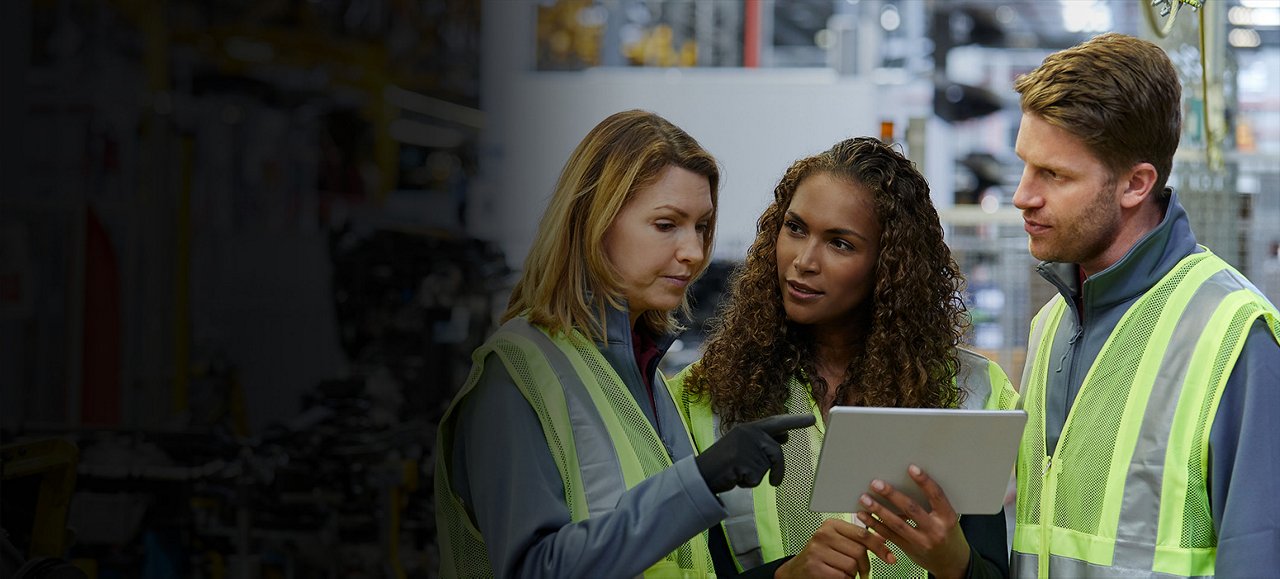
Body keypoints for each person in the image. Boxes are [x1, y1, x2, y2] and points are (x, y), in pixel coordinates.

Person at [433, 109, 814, 578]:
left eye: (701, 226)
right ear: (594, 222)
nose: (694, 252)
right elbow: (537, 569)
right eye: (665, 224)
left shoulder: (644, 373)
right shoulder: (513, 376)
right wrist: (700, 479)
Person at [672, 137, 1019, 579]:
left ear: (890, 266)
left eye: (840, 244)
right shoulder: (703, 395)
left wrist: (955, 562)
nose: (803, 260)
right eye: (795, 228)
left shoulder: (967, 391)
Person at [1008, 33, 1280, 577]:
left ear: (1136, 184)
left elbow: (1258, 553)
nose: (1022, 195)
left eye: (1054, 175)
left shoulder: (1234, 335)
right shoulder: (1051, 324)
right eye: (1024, 165)